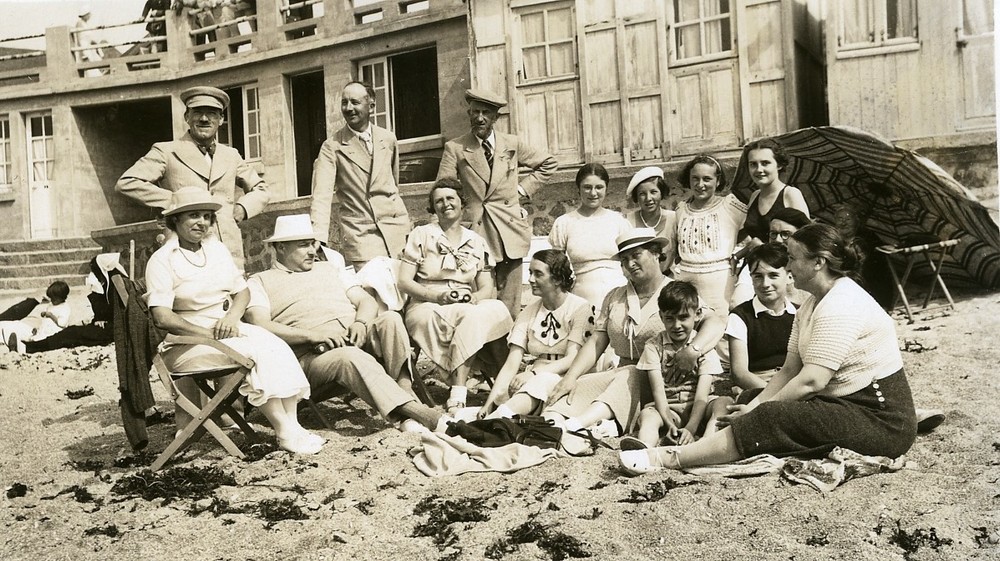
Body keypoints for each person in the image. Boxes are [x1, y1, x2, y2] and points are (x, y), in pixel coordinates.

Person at [620, 223, 918, 475]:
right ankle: (716, 442)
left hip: (880, 419)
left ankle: (669, 458)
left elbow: (812, 380)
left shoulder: (842, 304)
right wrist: (754, 403)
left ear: (819, 262)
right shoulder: (813, 303)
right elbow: (790, 369)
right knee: (750, 398)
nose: (788, 266)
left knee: (768, 417)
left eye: (793, 258)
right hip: (844, 402)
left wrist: (757, 410)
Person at [145, 187, 321, 455]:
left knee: (275, 345)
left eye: (206, 216)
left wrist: (230, 317)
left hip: (225, 327)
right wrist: (206, 333)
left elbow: (242, 292)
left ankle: (293, 425)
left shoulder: (215, 250)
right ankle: (282, 430)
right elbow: (163, 317)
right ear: (175, 220)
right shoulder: (162, 260)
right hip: (185, 341)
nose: (201, 222)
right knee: (255, 354)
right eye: (193, 216)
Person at [244, 214, 446, 433]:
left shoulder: (329, 268)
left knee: (390, 319)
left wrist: (360, 323)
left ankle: (405, 392)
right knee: (349, 356)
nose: (312, 251)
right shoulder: (259, 281)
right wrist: (310, 336)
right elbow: (260, 323)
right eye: (303, 246)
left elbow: (365, 300)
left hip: (353, 336)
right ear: (280, 248)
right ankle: (425, 415)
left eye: (313, 244)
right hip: (314, 356)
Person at [541, 228, 726, 442]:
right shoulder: (615, 297)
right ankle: (553, 423)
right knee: (577, 387)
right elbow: (597, 341)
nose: (630, 264)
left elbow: (714, 322)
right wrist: (571, 377)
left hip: (661, 381)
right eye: (624, 259)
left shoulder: (675, 293)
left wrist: (692, 351)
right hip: (622, 379)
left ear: (656, 253)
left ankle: (582, 424)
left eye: (636, 255)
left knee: (629, 374)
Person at [116, 86, 270, 271]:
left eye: (212, 113)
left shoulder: (231, 155)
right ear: (187, 117)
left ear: (221, 119)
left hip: (228, 249)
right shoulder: (166, 151)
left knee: (233, 295)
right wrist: (175, 203)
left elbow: (261, 189)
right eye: (197, 112)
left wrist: (242, 208)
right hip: (183, 249)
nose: (204, 119)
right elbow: (127, 182)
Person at [437, 88, 559, 319]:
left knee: (511, 300)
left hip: (510, 228)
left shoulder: (511, 144)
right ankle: (486, 353)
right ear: (469, 114)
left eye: (485, 113)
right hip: (476, 231)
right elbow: (444, 186)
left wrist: (521, 191)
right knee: (482, 297)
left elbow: (548, 164)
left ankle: (510, 348)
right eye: (474, 112)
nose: (479, 118)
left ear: (496, 117)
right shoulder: (455, 148)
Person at [397, 178, 513, 414]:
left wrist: (474, 298)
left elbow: (485, 287)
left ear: (462, 203)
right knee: (470, 316)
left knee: (496, 309)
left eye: (450, 198)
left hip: (465, 301)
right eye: (438, 201)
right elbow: (404, 281)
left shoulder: (476, 240)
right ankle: (459, 391)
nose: (445, 204)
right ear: (433, 207)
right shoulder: (422, 234)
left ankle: (504, 384)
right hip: (426, 304)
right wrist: (436, 296)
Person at [477, 249, 594, 420]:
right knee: (504, 395)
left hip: (568, 378)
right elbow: (511, 364)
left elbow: (572, 359)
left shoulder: (580, 308)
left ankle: (494, 421)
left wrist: (533, 374)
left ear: (557, 278)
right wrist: (488, 403)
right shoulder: (529, 312)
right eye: (530, 273)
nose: (531, 279)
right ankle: (492, 418)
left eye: (538, 274)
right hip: (535, 378)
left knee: (539, 383)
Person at [310, 81, 411, 271]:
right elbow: (321, 196)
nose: (349, 108)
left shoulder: (388, 139)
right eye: (344, 102)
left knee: (405, 290)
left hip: (397, 231)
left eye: (355, 102)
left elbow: (393, 185)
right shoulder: (332, 147)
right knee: (374, 292)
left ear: (371, 105)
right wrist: (318, 236)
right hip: (361, 236)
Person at [548, 163, 631, 310]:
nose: (593, 193)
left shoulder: (618, 221)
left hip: (620, 298)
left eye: (599, 187)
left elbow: (631, 262)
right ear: (578, 189)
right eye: (587, 187)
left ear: (606, 188)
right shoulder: (564, 223)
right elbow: (556, 268)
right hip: (581, 300)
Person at [673, 155, 748, 316]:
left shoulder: (730, 205)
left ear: (718, 181)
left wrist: (738, 254)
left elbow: (755, 228)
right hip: (685, 280)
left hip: (720, 282)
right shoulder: (681, 209)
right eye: (695, 178)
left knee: (720, 330)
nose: (700, 185)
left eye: (707, 179)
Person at [725, 243, 797, 395]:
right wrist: (774, 395)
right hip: (756, 386)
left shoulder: (800, 313)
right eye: (758, 276)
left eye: (773, 275)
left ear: (789, 276)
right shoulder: (741, 316)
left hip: (793, 383)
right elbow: (740, 373)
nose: (765, 284)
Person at [738, 138, 810, 250]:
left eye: (765, 163)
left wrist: (762, 247)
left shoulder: (790, 194)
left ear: (779, 165)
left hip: (784, 266)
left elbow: (806, 240)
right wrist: (737, 257)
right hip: (758, 265)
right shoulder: (755, 196)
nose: (758, 169)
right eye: (753, 164)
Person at [625, 166, 677, 271]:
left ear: (661, 193)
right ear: (636, 197)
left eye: (653, 192)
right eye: (642, 194)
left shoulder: (674, 218)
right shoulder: (628, 221)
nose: (648, 198)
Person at [1, 281, 71, 353]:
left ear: (62, 298)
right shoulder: (52, 304)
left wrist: (51, 316)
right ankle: (16, 345)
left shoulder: (65, 308)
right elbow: (45, 318)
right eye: (51, 298)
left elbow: (62, 323)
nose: (52, 301)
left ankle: (18, 348)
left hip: (55, 332)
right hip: (45, 329)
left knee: (40, 341)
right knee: (35, 336)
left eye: (54, 299)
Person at [766, 207, 812, 304]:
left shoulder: (812, 267)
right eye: (773, 234)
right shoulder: (761, 262)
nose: (778, 240)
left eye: (786, 234)